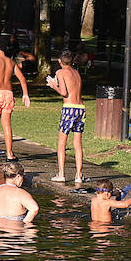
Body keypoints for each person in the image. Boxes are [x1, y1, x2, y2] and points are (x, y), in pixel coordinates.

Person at [0, 36, 30, 160]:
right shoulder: (11, 62)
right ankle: (9, 154)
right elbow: (22, 79)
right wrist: (25, 94)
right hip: (9, 94)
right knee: (7, 125)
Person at [47, 50, 85, 185]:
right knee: (77, 144)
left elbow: (64, 92)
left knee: (62, 143)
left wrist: (54, 85)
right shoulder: (76, 72)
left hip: (69, 109)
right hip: (81, 109)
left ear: (59, 61)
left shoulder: (60, 72)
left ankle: (61, 174)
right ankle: (79, 175)